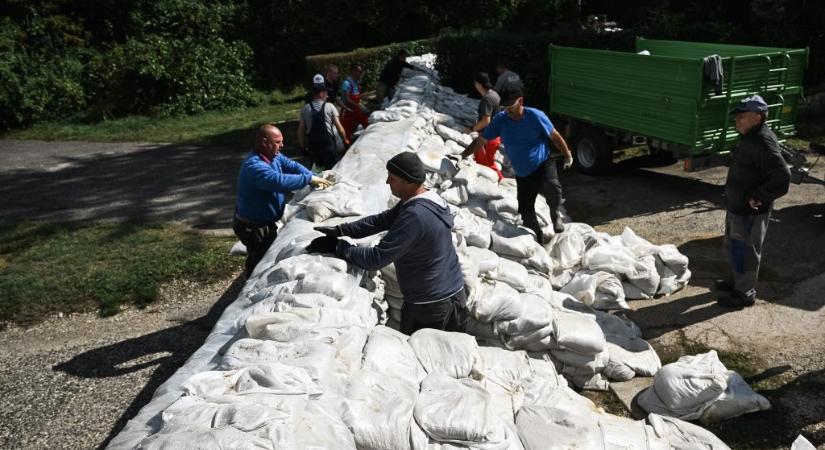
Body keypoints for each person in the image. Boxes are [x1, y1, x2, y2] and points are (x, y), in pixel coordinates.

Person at [306, 152, 468, 335]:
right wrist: (342, 230)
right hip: (447, 296)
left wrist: (338, 247)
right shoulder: (424, 199)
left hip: (432, 307)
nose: (386, 182)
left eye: (392, 178)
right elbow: (382, 220)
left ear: (408, 181)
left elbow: (376, 259)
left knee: (421, 357)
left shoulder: (415, 216)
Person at [462, 89, 573, 244]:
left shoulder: (535, 116)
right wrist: (463, 155)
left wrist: (567, 155)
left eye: (511, 107)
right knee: (526, 213)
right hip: (522, 173)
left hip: (542, 163)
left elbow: (554, 136)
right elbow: (482, 140)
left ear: (520, 102)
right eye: (504, 109)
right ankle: (538, 238)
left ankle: (555, 214)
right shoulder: (501, 120)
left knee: (553, 188)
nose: (507, 112)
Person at [716, 95, 790, 308]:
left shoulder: (762, 141)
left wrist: (759, 196)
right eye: (737, 117)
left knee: (745, 251)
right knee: (732, 246)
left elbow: (782, 176)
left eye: (742, 117)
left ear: (757, 118)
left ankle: (744, 294)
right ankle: (737, 282)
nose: (737, 121)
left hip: (750, 211)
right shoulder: (751, 136)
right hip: (737, 206)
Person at [233, 124, 332, 277]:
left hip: (263, 222)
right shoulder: (254, 166)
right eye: (278, 142)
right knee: (262, 260)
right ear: (264, 142)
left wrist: (312, 176)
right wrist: (309, 178)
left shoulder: (274, 156)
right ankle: (251, 285)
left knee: (260, 254)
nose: (282, 145)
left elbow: (292, 166)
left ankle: (251, 275)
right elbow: (278, 181)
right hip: (253, 226)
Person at [297, 80, 349, 170]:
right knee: (331, 171)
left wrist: (303, 147)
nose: (327, 96)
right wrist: (345, 141)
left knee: (317, 171)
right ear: (320, 94)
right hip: (328, 145)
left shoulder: (305, 108)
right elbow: (339, 128)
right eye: (326, 94)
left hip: (313, 147)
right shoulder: (330, 106)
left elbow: (300, 131)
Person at [465, 72, 503, 180]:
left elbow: (486, 121)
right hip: (494, 135)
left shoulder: (486, 99)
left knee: (487, 164)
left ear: (479, 84)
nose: (475, 85)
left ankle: (501, 182)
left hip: (488, 138)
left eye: (475, 83)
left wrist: (472, 129)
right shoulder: (494, 94)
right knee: (484, 162)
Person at [340, 64, 370, 142]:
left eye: (361, 72)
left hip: (356, 109)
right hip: (347, 111)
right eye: (359, 72)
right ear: (353, 71)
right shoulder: (347, 83)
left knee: (366, 123)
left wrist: (367, 98)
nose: (361, 73)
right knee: (346, 131)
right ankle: (346, 147)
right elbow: (347, 99)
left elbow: (357, 96)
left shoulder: (356, 82)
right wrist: (358, 105)